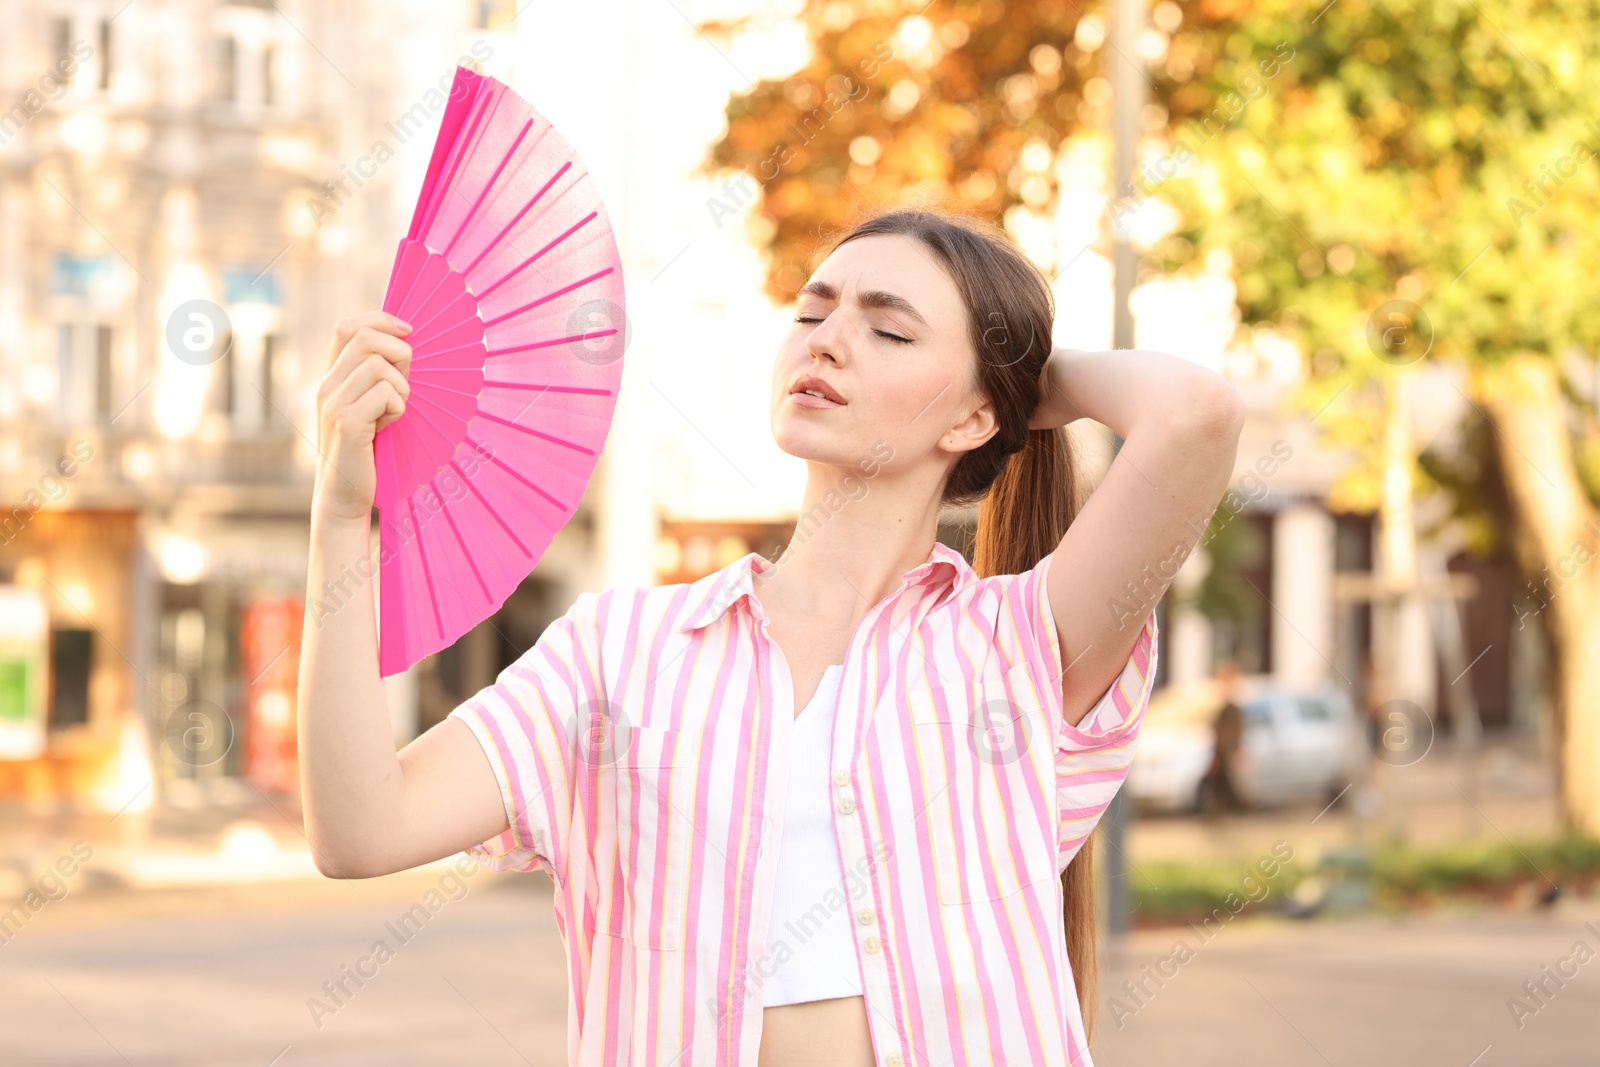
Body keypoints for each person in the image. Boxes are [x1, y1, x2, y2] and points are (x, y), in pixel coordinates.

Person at [298, 208, 1243, 1066]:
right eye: (814, 311)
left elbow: (1194, 415)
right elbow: (360, 828)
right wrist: (344, 517)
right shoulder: (619, 652)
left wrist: (1031, 375)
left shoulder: (1021, 648)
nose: (829, 338)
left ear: (975, 415)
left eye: (888, 327)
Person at [1201, 658, 1244, 813]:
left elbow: (1233, 731)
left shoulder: (1231, 706)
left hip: (1226, 750)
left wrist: (1234, 749)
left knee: (1228, 784)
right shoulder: (1222, 703)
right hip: (1222, 750)